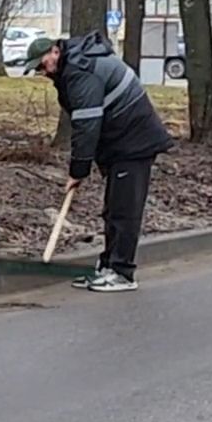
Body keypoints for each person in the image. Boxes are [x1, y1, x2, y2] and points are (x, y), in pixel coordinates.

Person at [34, 32, 173, 292]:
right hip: (119, 142)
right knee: (113, 209)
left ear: (55, 51)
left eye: (42, 65)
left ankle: (122, 272)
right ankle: (108, 266)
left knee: (124, 210)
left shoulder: (79, 70)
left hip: (134, 140)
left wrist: (79, 170)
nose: (42, 72)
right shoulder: (74, 67)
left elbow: (87, 123)